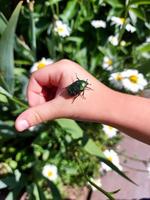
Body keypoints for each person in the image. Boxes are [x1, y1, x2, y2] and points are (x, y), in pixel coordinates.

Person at [15, 59, 150, 145]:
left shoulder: (80, 84)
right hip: (73, 90)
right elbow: (78, 86)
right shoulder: (81, 85)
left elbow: (77, 86)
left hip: (73, 89)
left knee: (75, 90)